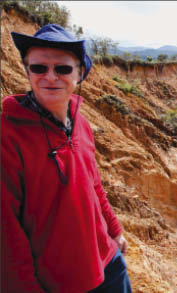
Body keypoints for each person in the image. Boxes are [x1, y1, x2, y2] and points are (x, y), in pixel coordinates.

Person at [1, 24, 132, 292]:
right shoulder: (7, 136)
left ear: (80, 73)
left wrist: (115, 230)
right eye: (39, 68)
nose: (50, 77)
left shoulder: (81, 123)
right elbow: (6, 233)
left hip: (109, 265)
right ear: (27, 70)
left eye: (62, 68)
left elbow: (94, 186)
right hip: (60, 284)